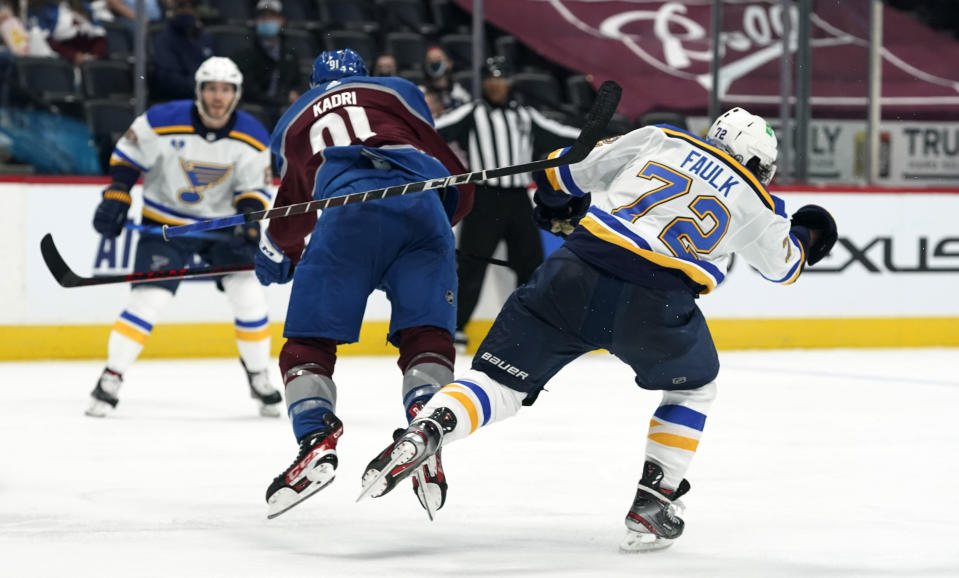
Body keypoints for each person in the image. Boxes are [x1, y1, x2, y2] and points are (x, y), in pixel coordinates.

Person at [360, 108, 838, 549]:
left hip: (575, 271)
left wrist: (554, 204)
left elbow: (558, 169)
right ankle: (654, 499)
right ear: (758, 162)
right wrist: (808, 231)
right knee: (695, 388)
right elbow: (785, 266)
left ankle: (428, 428)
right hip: (654, 305)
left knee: (495, 384)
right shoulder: (758, 202)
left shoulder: (661, 139)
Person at [255, 48, 473, 519]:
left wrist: (278, 254)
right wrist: (440, 221)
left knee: (307, 344)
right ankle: (424, 424)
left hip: (346, 217)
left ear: (312, 84)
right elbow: (456, 176)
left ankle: (316, 436)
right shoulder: (398, 91)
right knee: (426, 335)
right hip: (420, 208)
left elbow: (293, 206)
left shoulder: (292, 122)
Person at [87, 56, 282, 419]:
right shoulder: (161, 120)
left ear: (236, 94)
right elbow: (127, 159)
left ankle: (258, 376)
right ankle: (111, 377)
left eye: (225, 89)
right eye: (211, 88)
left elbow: (253, 189)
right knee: (149, 301)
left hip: (221, 228)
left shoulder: (252, 133)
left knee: (250, 298)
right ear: (199, 91)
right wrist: (117, 194)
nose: (218, 97)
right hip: (165, 225)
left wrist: (251, 226)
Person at [434, 56, 580, 349]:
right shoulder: (471, 113)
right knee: (471, 266)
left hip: (518, 200)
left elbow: (559, 134)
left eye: (500, 79)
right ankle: (453, 327)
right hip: (484, 199)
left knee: (532, 266)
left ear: (510, 81)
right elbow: (433, 130)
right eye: (490, 79)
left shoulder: (525, 115)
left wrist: (602, 140)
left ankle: (531, 325)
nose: (495, 85)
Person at [233, 0, 302, 128]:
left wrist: (294, 92)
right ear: (256, 21)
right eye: (262, 17)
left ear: (281, 20)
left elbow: (297, 83)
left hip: (282, 108)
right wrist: (281, 99)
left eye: (271, 17)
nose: (266, 20)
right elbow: (247, 87)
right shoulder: (245, 52)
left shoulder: (290, 54)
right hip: (256, 107)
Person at [149, 0, 212, 101]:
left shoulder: (205, 38)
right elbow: (169, 80)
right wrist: (203, 87)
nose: (187, 11)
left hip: (205, 99)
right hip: (175, 101)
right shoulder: (164, 39)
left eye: (192, 6)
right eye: (181, 6)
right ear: (173, 9)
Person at [28, 0, 106, 64]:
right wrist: (73, 55)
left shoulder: (83, 6)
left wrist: (95, 56)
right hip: (60, 62)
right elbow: (43, 40)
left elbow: (100, 36)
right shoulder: (41, 9)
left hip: (90, 63)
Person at [418, 45, 469, 116]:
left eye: (438, 59)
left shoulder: (459, 93)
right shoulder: (419, 93)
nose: (434, 62)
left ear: (449, 64)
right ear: (425, 65)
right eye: (430, 60)